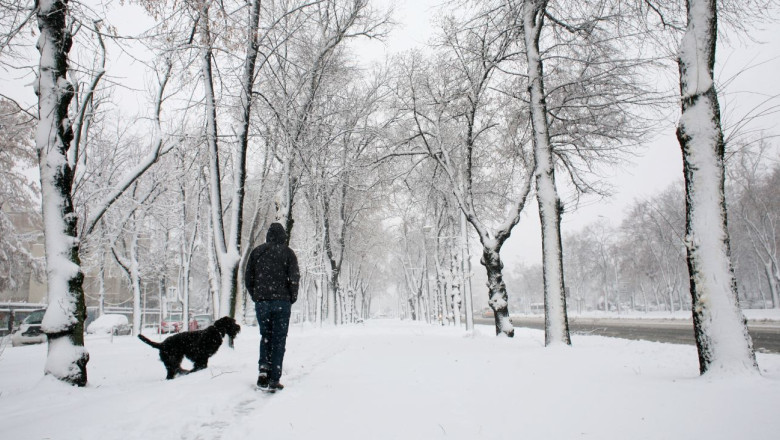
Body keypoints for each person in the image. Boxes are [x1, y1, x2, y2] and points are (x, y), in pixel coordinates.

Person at [244, 222, 299, 392]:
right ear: (283, 236)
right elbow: (294, 278)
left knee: (265, 336)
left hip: (263, 303)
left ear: (268, 235)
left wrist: (256, 296)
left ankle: (263, 369)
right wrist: (291, 297)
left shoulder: (257, 252)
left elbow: (248, 277)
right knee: (279, 339)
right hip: (282, 302)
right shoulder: (288, 253)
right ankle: (274, 378)